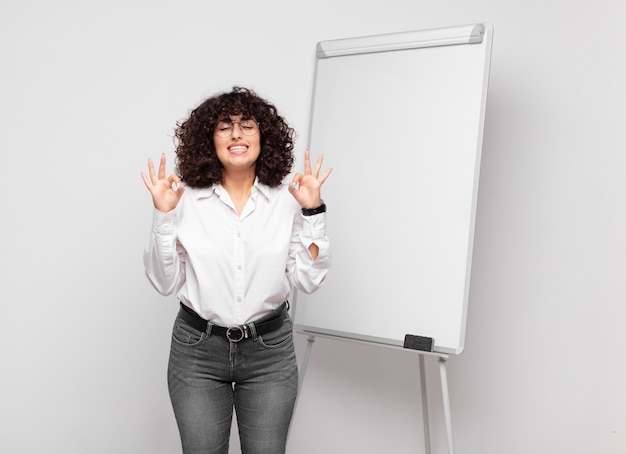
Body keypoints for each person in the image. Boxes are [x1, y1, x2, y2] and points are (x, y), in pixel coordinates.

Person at [141, 86, 332, 454]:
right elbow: (165, 283)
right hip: (197, 351)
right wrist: (163, 217)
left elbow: (308, 280)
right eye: (225, 126)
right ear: (208, 140)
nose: (237, 134)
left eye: (247, 125)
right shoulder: (183, 199)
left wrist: (313, 212)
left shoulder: (289, 199)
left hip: (269, 351)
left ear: (264, 136)